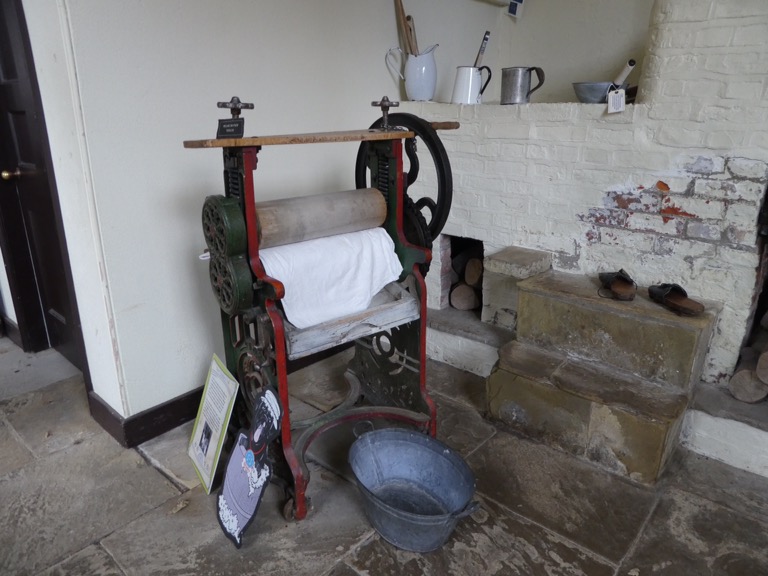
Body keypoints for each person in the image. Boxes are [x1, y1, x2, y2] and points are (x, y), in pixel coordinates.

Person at [217, 388, 282, 547]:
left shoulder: (262, 469)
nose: (263, 422)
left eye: (268, 419)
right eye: (263, 413)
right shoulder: (243, 439)